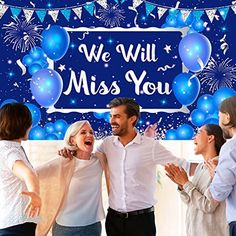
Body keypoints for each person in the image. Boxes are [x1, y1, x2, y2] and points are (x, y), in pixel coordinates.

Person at [59, 97, 187, 236]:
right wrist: (68, 149)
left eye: (117, 116)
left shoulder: (150, 146)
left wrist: (211, 165)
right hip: (114, 221)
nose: (112, 121)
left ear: (132, 119)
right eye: (111, 116)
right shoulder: (107, 144)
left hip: (142, 222)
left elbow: (183, 165)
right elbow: (87, 157)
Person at [36, 120, 109, 236]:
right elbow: (33, 174)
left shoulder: (99, 160)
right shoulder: (62, 162)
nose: (89, 135)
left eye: (91, 132)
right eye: (83, 132)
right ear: (72, 140)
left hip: (93, 226)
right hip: (66, 228)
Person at [165, 124, 228, 236]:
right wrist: (181, 186)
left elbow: (208, 205)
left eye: (199, 132)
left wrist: (186, 183)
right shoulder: (200, 167)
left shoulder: (219, 167)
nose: (194, 138)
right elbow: (190, 202)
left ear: (210, 138)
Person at [0, 103, 41, 236]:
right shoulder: (10, 151)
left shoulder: (9, 148)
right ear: (25, 125)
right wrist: (35, 193)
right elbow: (27, 173)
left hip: (12, 224)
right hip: (16, 226)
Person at [209, 95, 236, 236]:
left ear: (227, 117)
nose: (219, 123)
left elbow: (219, 193)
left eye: (220, 117)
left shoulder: (230, 148)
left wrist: (215, 174)